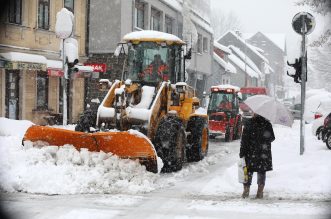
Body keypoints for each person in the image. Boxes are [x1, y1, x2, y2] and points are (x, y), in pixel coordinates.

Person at [239, 113, 275, 199]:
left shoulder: (249, 123)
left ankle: (246, 191)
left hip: (250, 152)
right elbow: (272, 138)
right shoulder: (267, 124)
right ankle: (260, 192)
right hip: (263, 153)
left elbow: (244, 140)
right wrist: (264, 137)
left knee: (248, 171)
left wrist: (242, 152)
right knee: (261, 171)